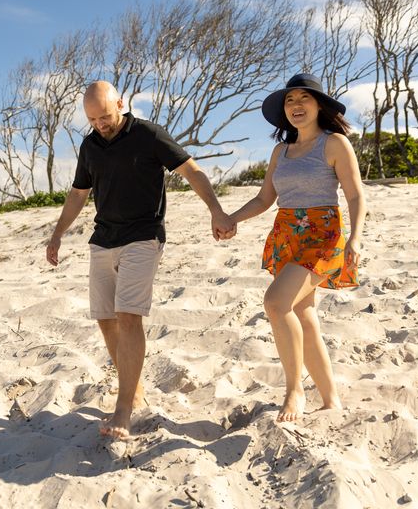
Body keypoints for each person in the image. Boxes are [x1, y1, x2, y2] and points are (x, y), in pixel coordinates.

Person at [46, 80, 235, 439]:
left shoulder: (148, 134)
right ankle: (136, 391)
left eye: (104, 115)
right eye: (92, 119)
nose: (100, 124)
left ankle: (124, 408)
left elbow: (191, 170)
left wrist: (216, 210)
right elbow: (77, 194)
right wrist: (57, 235)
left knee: (128, 315)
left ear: (121, 103)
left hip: (143, 236)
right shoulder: (90, 146)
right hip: (103, 238)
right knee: (105, 319)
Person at [227, 73, 365, 422]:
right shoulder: (281, 151)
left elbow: (354, 194)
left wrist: (356, 237)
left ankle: (295, 391)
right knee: (303, 314)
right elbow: (263, 199)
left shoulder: (334, 143)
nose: (296, 106)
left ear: (320, 105)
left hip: (322, 234)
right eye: (290, 100)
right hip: (286, 234)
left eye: (304, 99)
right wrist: (232, 218)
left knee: (275, 303)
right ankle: (331, 399)